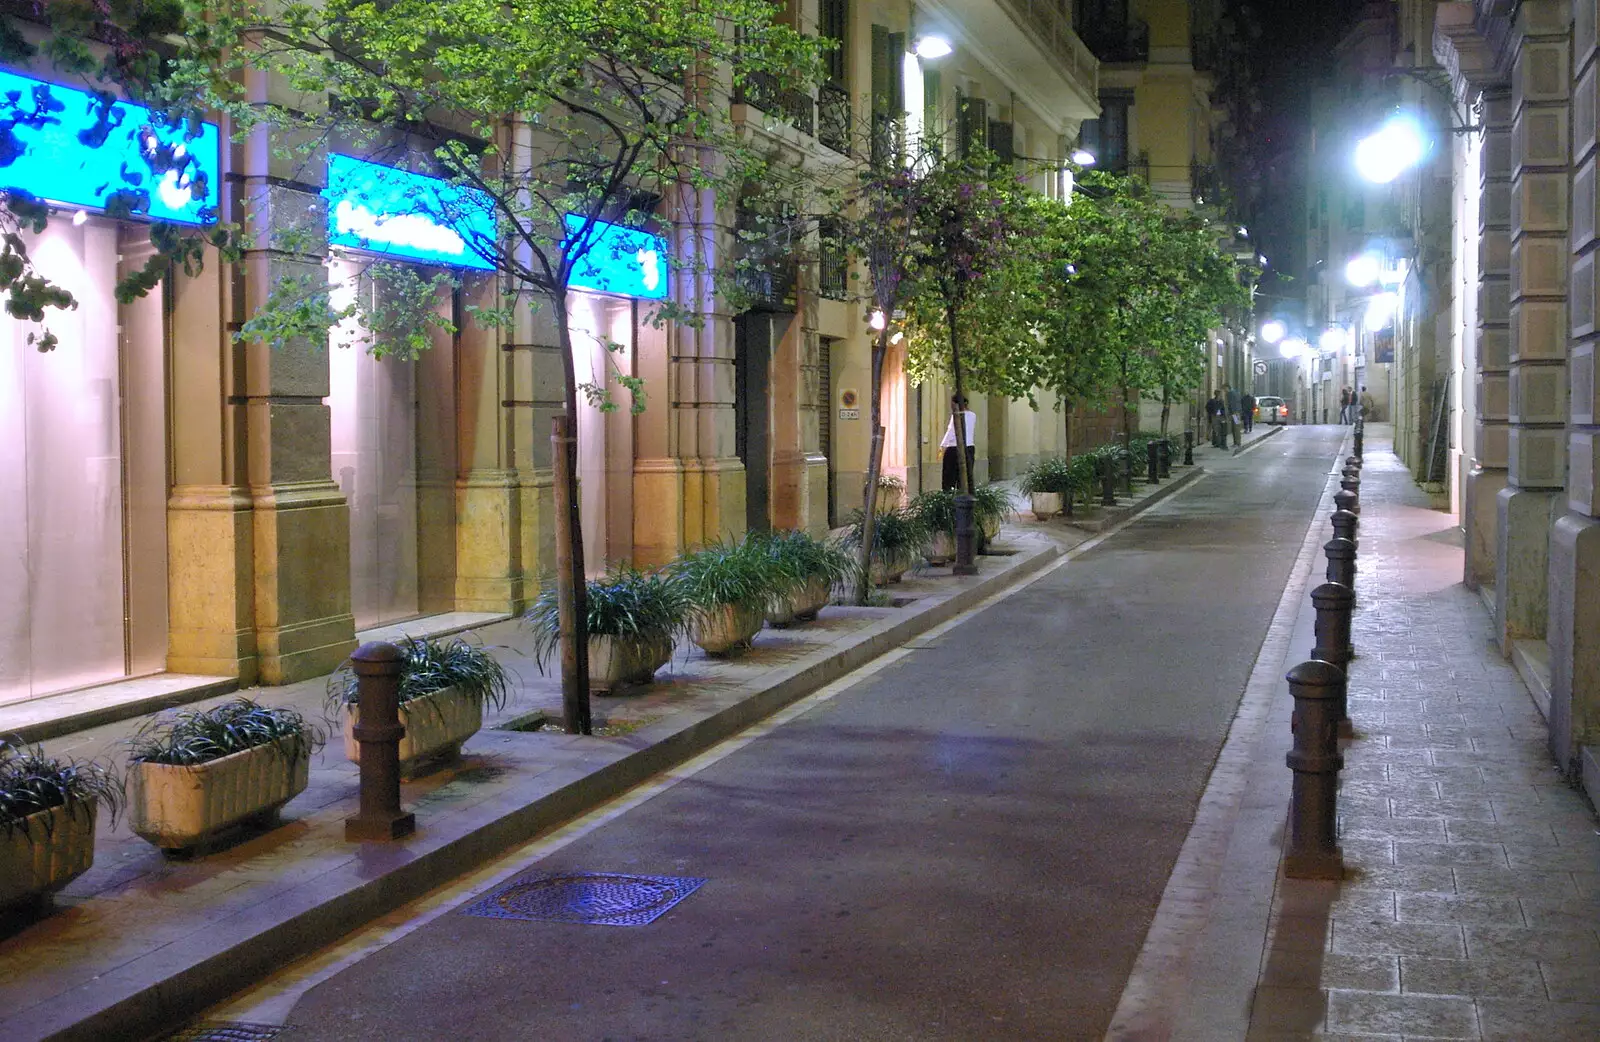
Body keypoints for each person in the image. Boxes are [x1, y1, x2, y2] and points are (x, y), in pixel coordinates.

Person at [940, 395, 978, 491]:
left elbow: (951, 431)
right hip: (970, 447)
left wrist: (943, 445)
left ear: (956, 404)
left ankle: (949, 496)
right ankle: (964, 492)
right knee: (966, 475)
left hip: (954, 447)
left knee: (949, 476)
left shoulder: (956, 415)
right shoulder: (973, 415)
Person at [1225, 383, 1242, 449]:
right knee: (1236, 428)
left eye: (1224, 389)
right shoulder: (1236, 392)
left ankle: (1237, 443)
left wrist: (1229, 414)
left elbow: (1231, 404)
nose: (1224, 391)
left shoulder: (1230, 394)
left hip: (1234, 413)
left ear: (1227, 387)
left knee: (1235, 428)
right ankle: (1237, 443)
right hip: (1237, 413)